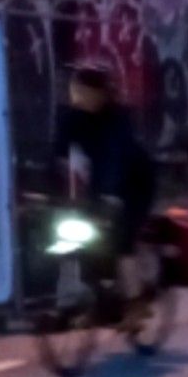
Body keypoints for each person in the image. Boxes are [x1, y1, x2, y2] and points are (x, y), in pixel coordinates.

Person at [53, 61, 155, 309]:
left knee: (122, 242)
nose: (76, 96)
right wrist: (48, 192)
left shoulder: (118, 120)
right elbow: (57, 154)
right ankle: (94, 296)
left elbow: (115, 159)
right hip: (100, 184)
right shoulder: (71, 117)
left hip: (134, 184)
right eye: (74, 90)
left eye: (83, 91)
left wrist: (111, 198)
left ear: (99, 94)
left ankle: (135, 306)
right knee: (80, 237)